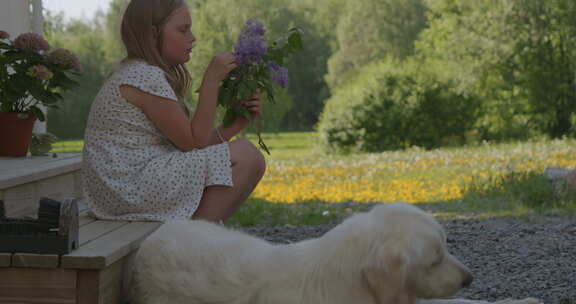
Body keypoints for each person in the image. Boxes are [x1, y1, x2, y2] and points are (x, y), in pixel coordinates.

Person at [81, 0, 265, 223]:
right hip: (128, 187)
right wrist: (211, 81)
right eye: (183, 29)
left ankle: (198, 237)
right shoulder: (144, 76)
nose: (192, 37)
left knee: (247, 157)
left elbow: (192, 146)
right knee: (247, 156)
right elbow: (193, 144)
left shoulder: (138, 73)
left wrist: (235, 125)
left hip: (125, 188)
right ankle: (194, 242)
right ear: (153, 33)